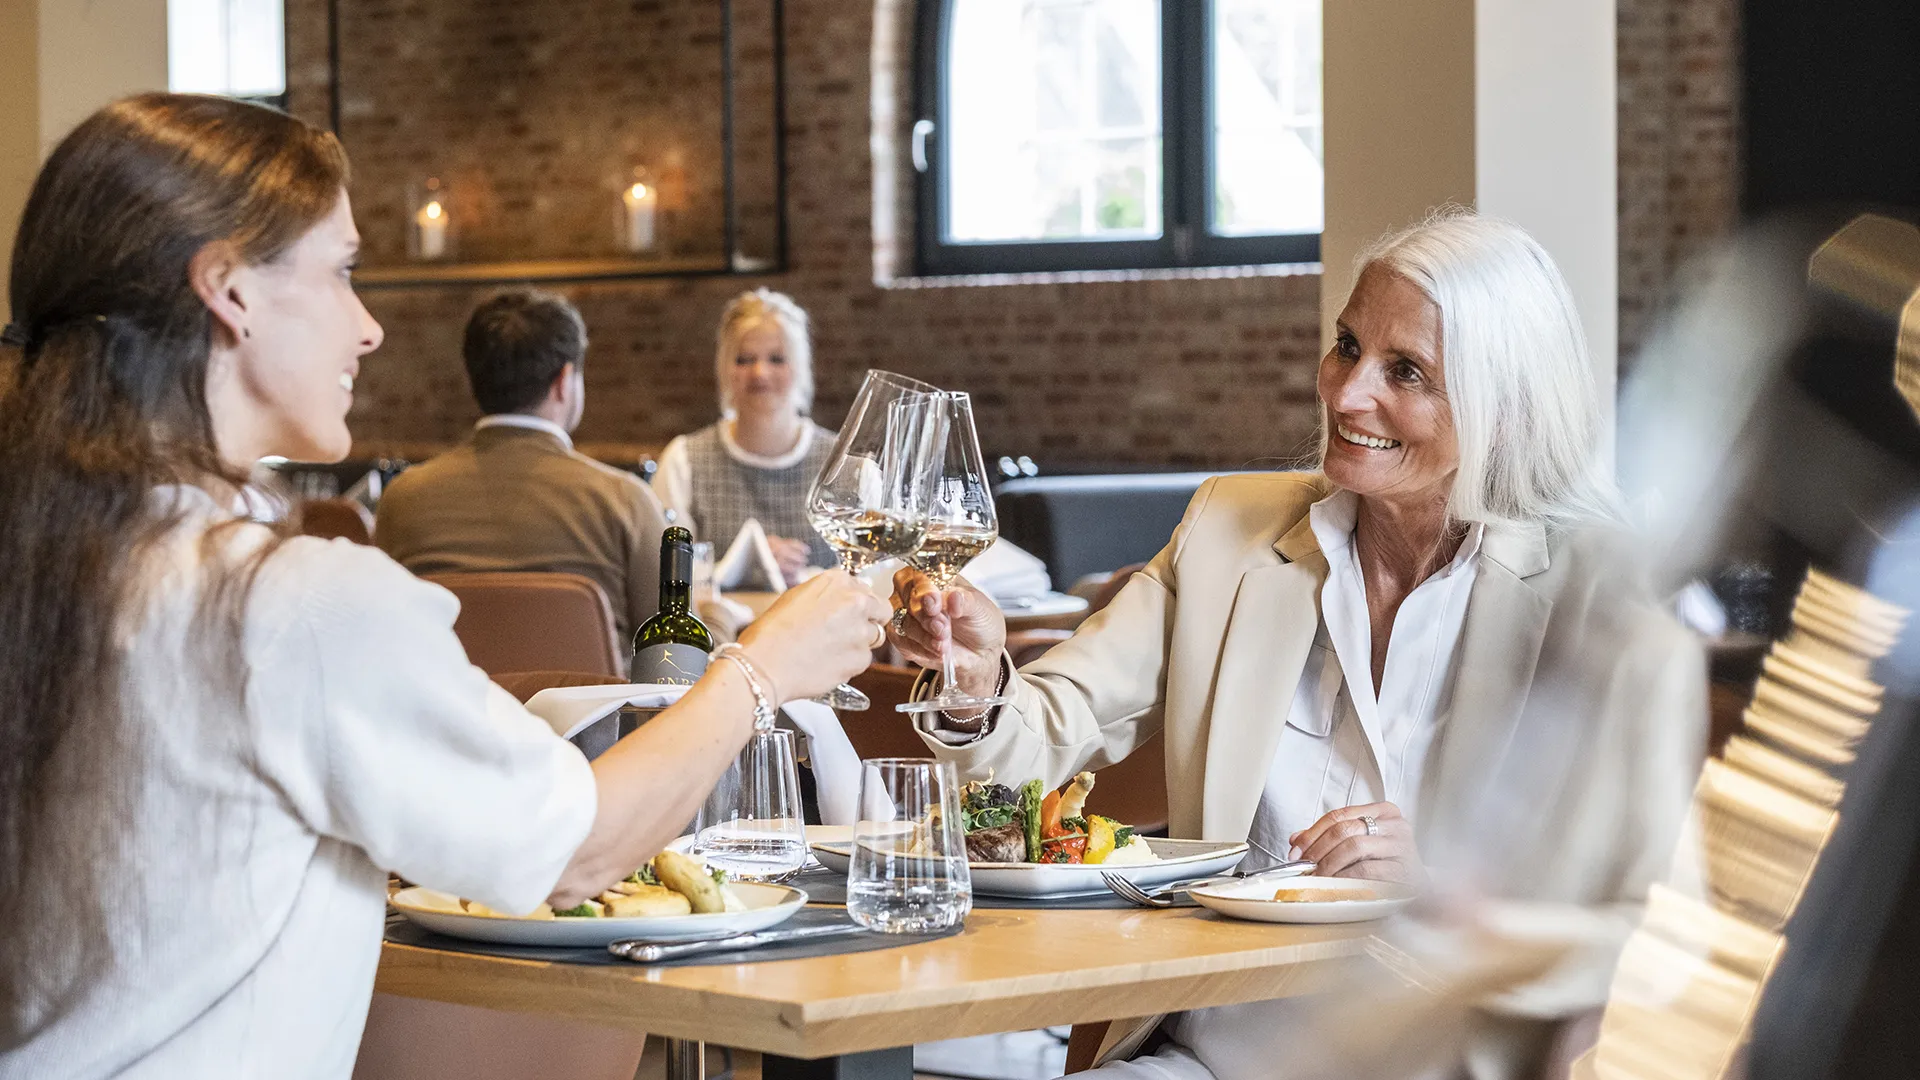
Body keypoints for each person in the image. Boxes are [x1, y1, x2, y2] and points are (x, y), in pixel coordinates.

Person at [0, 93, 891, 1077]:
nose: (370, 327)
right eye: (342, 272)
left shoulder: (53, 564)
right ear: (229, 292)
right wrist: (761, 673)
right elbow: (578, 852)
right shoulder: (292, 604)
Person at [889, 211, 1705, 1080]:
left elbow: (1665, 935)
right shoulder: (1227, 535)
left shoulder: (1596, 600)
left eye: (1408, 372)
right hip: (1207, 1060)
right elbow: (1047, 732)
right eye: (1349, 346)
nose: (1349, 395)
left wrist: (1437, 887)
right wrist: (974, 682)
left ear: (1504, 407)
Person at [373, 289, 669, 644]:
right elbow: (672, 651)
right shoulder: (626, 502)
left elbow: (385, 632)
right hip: (593, 699)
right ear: (564, 382)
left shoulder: (403, 498)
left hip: (447, 699)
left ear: (473, 380)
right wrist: (718, 616)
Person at [654, 288, 838, 587]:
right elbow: (665, 572)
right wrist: (748, 564)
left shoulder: (842, 463)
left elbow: (871, 575)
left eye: (777, 359)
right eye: (744, 359)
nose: (760, 373)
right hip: (721, 632)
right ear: (724, 368)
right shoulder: (684, 460)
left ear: (800, 367)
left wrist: (798, 574)